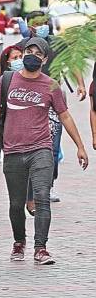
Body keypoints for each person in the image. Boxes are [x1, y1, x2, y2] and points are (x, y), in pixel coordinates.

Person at [0, 37, 88, 265]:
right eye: (28, 50)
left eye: (37, 52)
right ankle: (19, 241)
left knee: (41, 198)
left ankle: (41, 248)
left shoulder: (51, 85)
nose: (32, 55)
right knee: (15, 204)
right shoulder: (7, 80)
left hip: (41, 148)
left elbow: (65, 116)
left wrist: (80, 146)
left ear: (45, 59)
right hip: (12, 150)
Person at [16, 11, 87, 203]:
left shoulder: (57, 43)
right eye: (36, 23)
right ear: (28, 26)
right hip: (26, 103)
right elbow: (8, 66)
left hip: (51, 102)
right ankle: (28, 189)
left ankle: (48, 186)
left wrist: (80, 84)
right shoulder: (23, 46)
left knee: (52, 148)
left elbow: (72, 63)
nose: (40, 26)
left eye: (43, 22)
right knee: (25, 148)